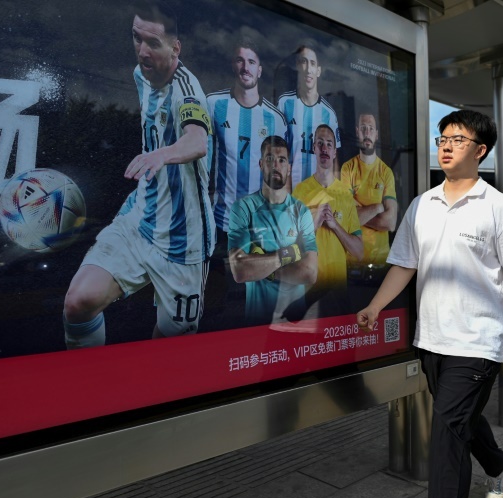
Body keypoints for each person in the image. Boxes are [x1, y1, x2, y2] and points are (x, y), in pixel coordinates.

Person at [356, 110, 503, 498]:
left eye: (458, 140)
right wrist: (375, 306)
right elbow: (405, 264)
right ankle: (500, 463)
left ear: (481, 151)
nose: (447, 146)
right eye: (442, 139)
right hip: (432, 340)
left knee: (446, 436)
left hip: (476, 342)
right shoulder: (422, 204)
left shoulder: (500, 208)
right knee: (460, 422)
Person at [63, 3, 215, 348]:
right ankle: (87, 389)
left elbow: (197, 140)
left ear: (175, 48)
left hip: (184, 241)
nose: (143, 51)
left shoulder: (188, 92)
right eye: (136, 38)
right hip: (141, 219)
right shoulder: (139, 74)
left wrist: (163, 153)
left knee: (169, 348)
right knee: (78, 302)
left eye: (153, 44)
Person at [227, 136, 317, 326]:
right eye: (269, 158)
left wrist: (264, 268)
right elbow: (240, 270)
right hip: (257, 323)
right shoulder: (243, 208)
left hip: (294, 323)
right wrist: (287, 254)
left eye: (282, 160)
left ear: (289, 167)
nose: (276, 165)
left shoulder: (301, 212)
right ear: (261, 164)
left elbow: (309, 272)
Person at [207, 36, 288, 243]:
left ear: (259, 70)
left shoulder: (276, 119)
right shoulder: (214, 104)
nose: (246, 67)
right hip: (219, 223)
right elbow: (201, 161)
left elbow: (282, 174)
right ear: (233, 66)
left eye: (251, 62)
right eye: (240, 60)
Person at [293, 125, 362, 313]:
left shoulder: (345, 195)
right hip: (307, 294)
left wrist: (335, 226)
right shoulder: (300, 192)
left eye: (329, 145)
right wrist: (313, 225)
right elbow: (291, 248)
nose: (324, 148)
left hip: (338, 292)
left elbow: (359, 252)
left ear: (334, 152)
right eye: (320, 144)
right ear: (313, 148)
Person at [277, 43, 341, 189]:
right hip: (289, 195)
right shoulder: (284, 104)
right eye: (303, 62)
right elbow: (277, 152)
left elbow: (334, 160)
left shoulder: (329, 113)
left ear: (318, 70)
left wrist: (335, 197)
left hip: (318, 198)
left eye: (312, 63)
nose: (308, 69)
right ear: (298, 66)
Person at [340, 112, 398, 266]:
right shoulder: (347, 169)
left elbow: (390, 223)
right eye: (363, 128)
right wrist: (378, 208)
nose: (367, 133)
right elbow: (345, 219)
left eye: (371, 129)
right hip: (353, 261)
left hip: (380, 261)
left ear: (376, 135)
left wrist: (359, 214)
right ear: (357, 132)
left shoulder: (386, 172)